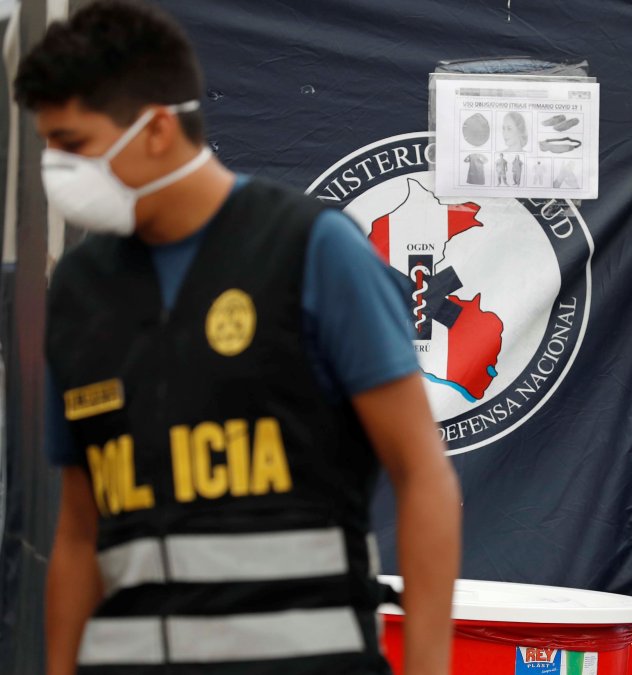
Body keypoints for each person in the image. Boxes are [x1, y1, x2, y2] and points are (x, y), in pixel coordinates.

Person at [14, 2, 461, 674]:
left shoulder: (312, 250)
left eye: (72, 144)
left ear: (158, 128)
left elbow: (422, 471)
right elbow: (79, 528)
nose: (56, 169)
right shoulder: (80, 289)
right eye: (46, 144)